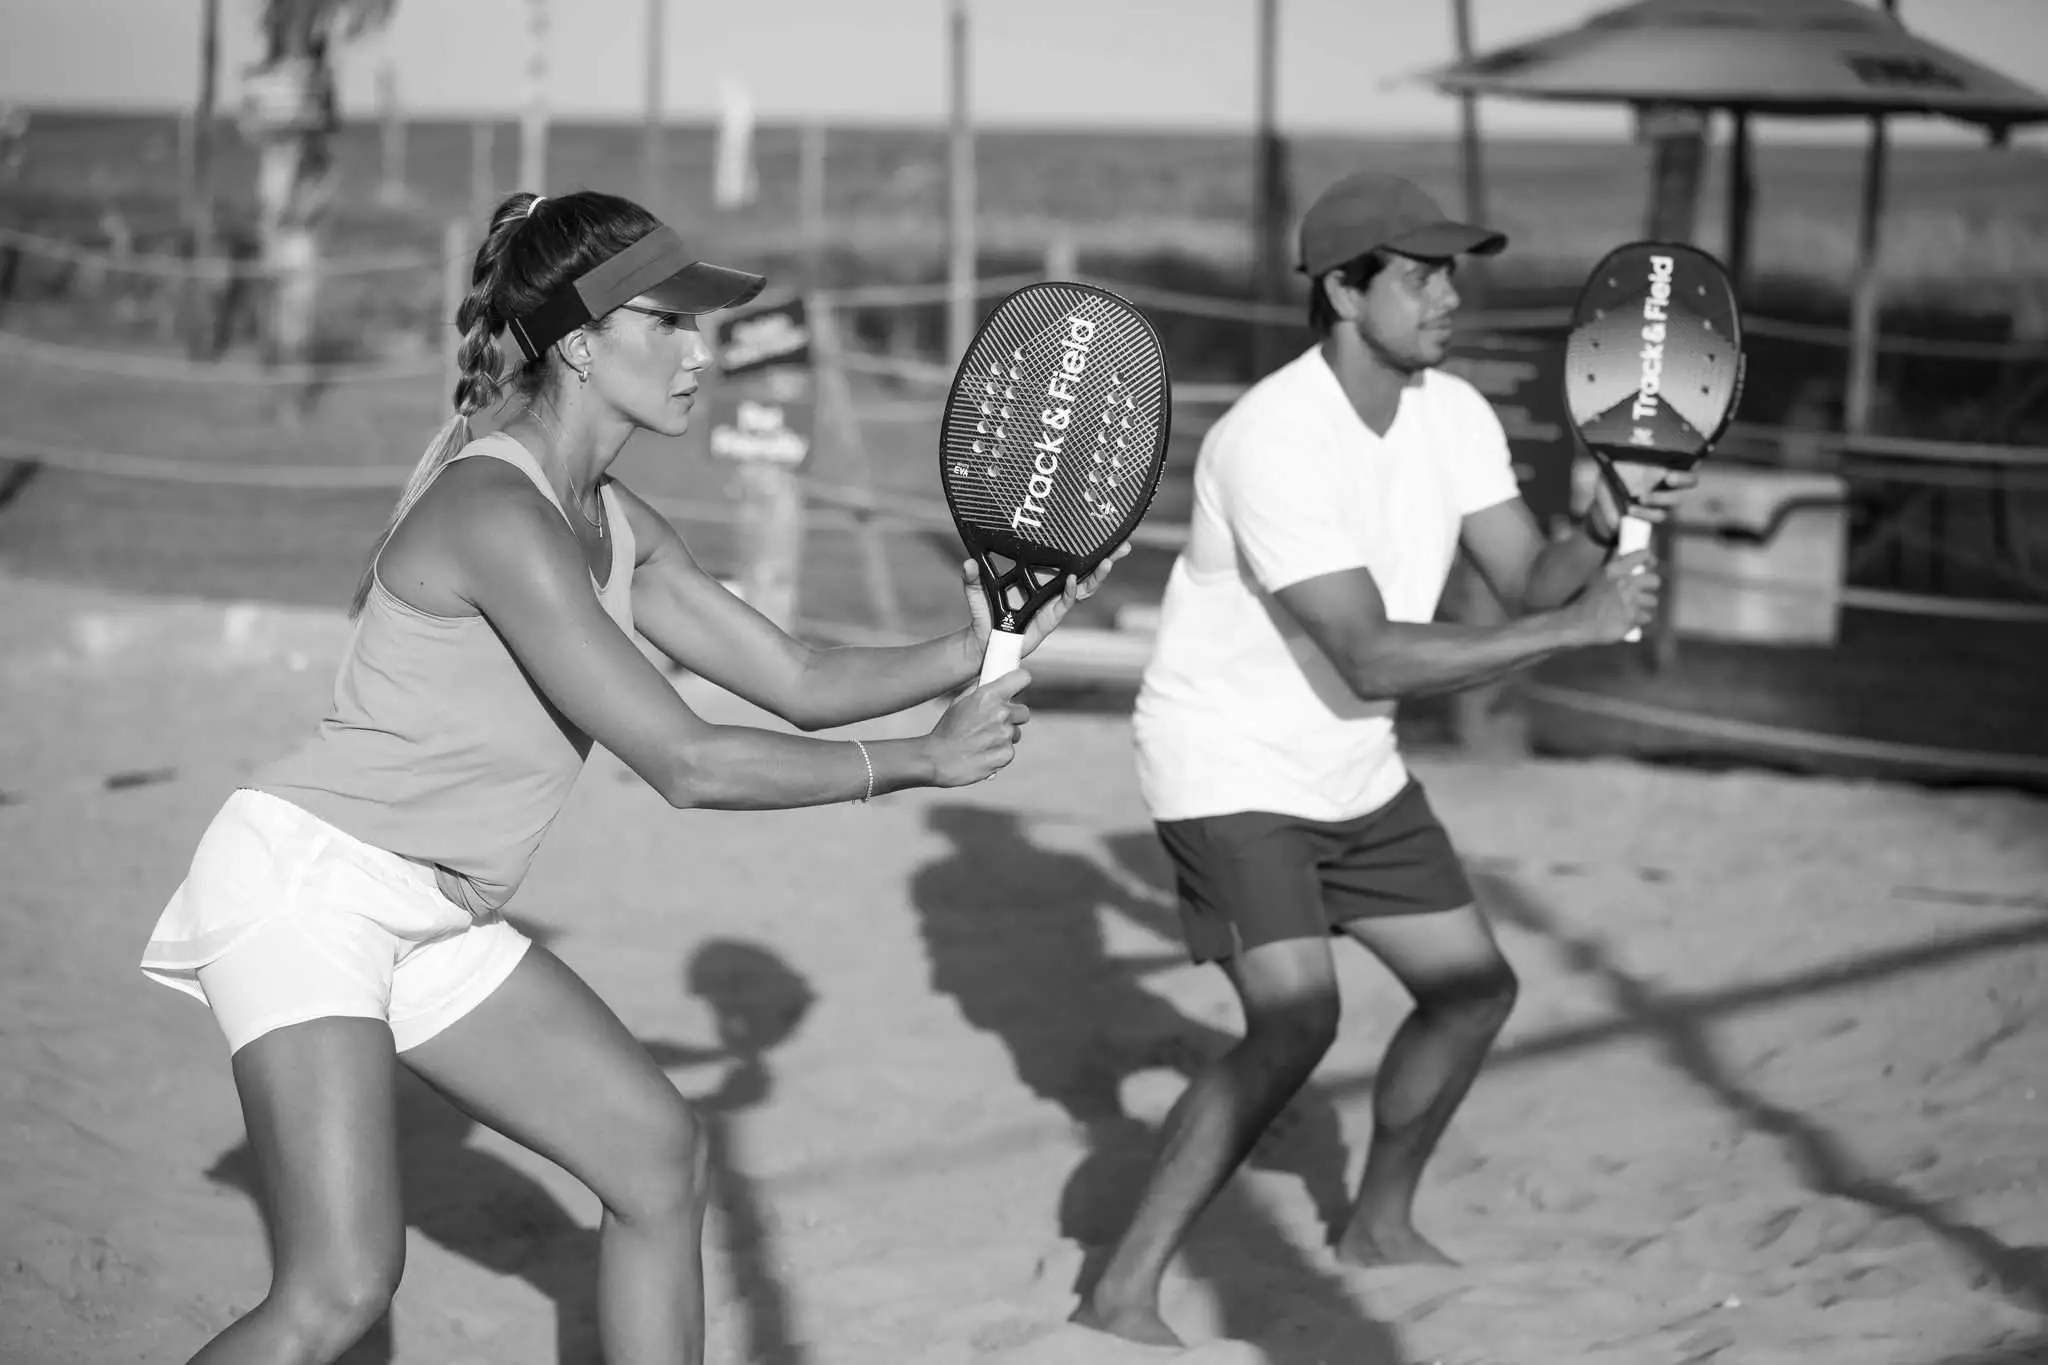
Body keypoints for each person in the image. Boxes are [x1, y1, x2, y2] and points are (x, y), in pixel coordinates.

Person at [139, 188, 1119, 1365]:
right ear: (583, 342)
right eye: (670, 324)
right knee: (341, 1290)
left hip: (433, 911)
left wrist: (973, 645)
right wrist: (918, 759)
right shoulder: (495, 510)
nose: (701, 354)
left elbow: (795, 675)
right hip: (313, 887)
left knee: (655, 1157)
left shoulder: (612, 517)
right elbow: (687, 760)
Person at [1073, 172, 1691, 1348]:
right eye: (1419, 274)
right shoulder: (1271, 438)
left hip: (1351, 762)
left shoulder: (1451, 413)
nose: (1447, 295)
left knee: (1472, 991)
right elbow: (1365, 652)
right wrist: (1570, 628)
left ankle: (1376, 1225)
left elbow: (1525, 577)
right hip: (1229, 758)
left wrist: (1607, 524)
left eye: (1451, 270)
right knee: (1296, 1017)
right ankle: (1120, 1289)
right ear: (1343, 289)